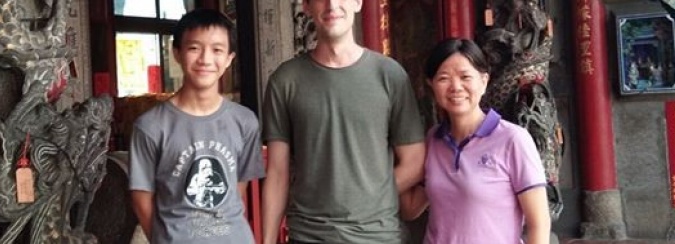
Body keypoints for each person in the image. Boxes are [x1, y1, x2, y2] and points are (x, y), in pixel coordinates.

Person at [261, 0, 427, 243]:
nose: (332, 5)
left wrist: (367, 197)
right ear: (306, 6)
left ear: (358, 3)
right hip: (310, 235)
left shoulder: (390, 75)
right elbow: (277, 173)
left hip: (377, 235)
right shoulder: (285, 80)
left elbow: (415, 161)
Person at [128, 8, 264, 244]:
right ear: (177, 53)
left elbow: (236, 189)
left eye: (217, 50)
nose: (205, 59)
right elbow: (141, 199)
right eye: (194, 48)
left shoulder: (245, 121)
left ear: (229, 59)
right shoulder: (149, 126)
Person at [398, 38, 551, 244]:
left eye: (465, 77)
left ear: (484, 81)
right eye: (443, 78)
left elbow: (539, 223)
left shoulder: (512, 140)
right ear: (431, 85)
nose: (456, 87)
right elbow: (410, 209)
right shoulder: (434, 140)